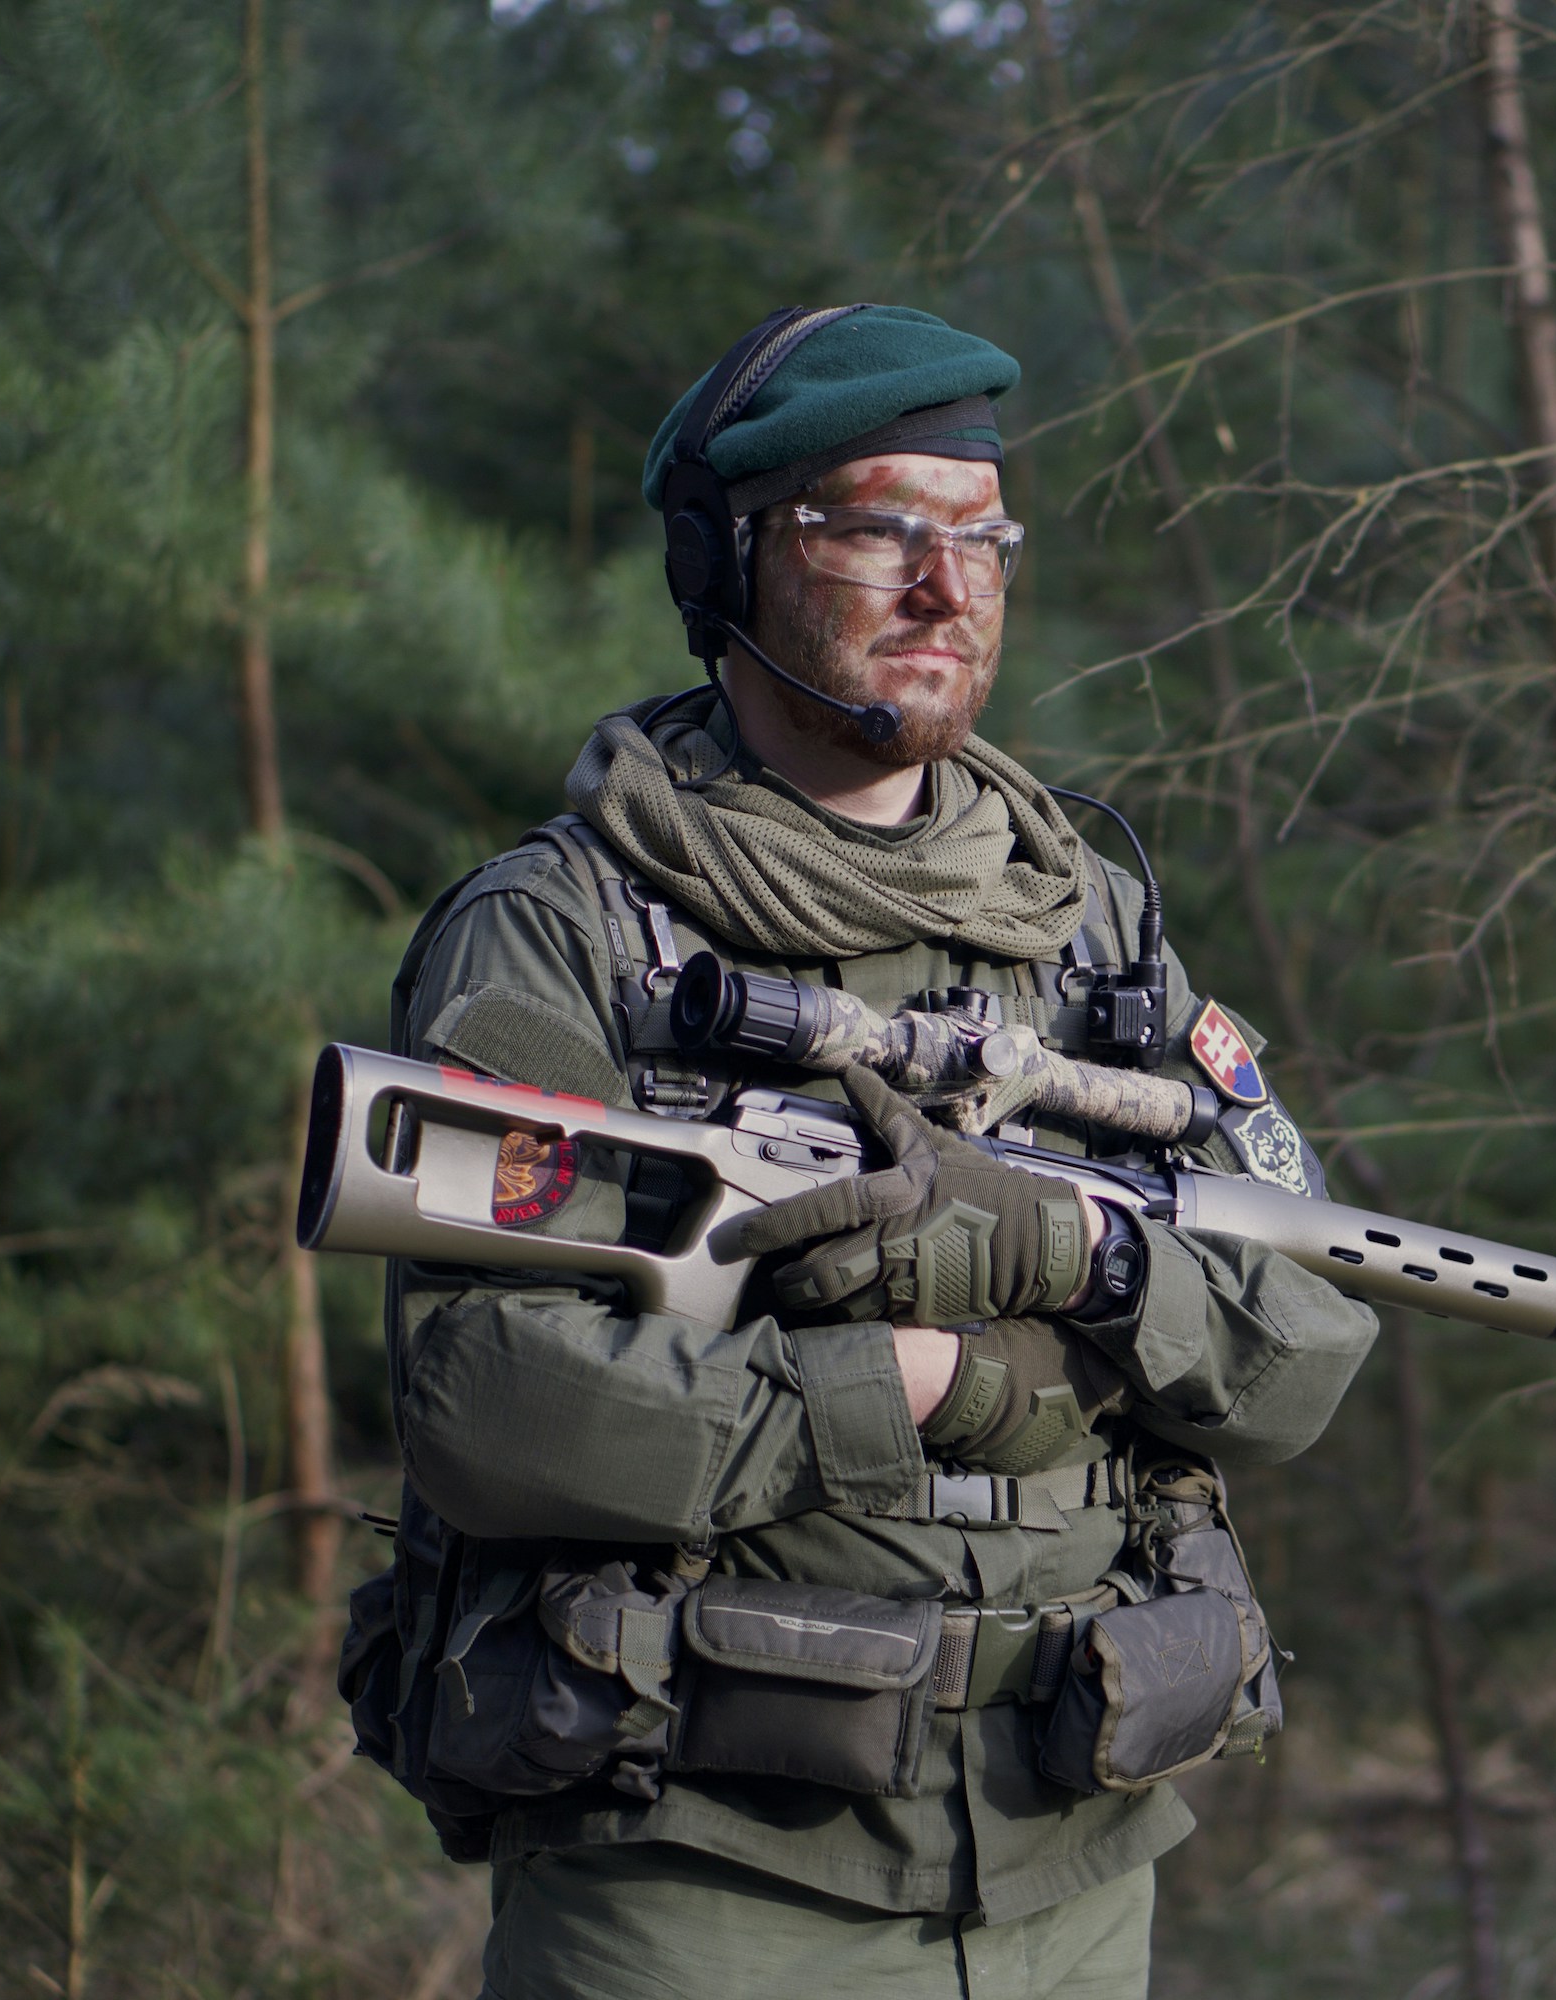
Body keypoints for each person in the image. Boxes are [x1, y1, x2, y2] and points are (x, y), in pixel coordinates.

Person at [368, 304, 1378, 1999]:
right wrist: (906, 1381)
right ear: (730, 561)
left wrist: (1087, 1259)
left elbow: (1305, 1348)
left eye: (981, 536)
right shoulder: (568, 935)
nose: (946, 584)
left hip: (1070, 1856)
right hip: (703, 1872)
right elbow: (489, 1395)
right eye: (878, 529)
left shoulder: (1093, 933)